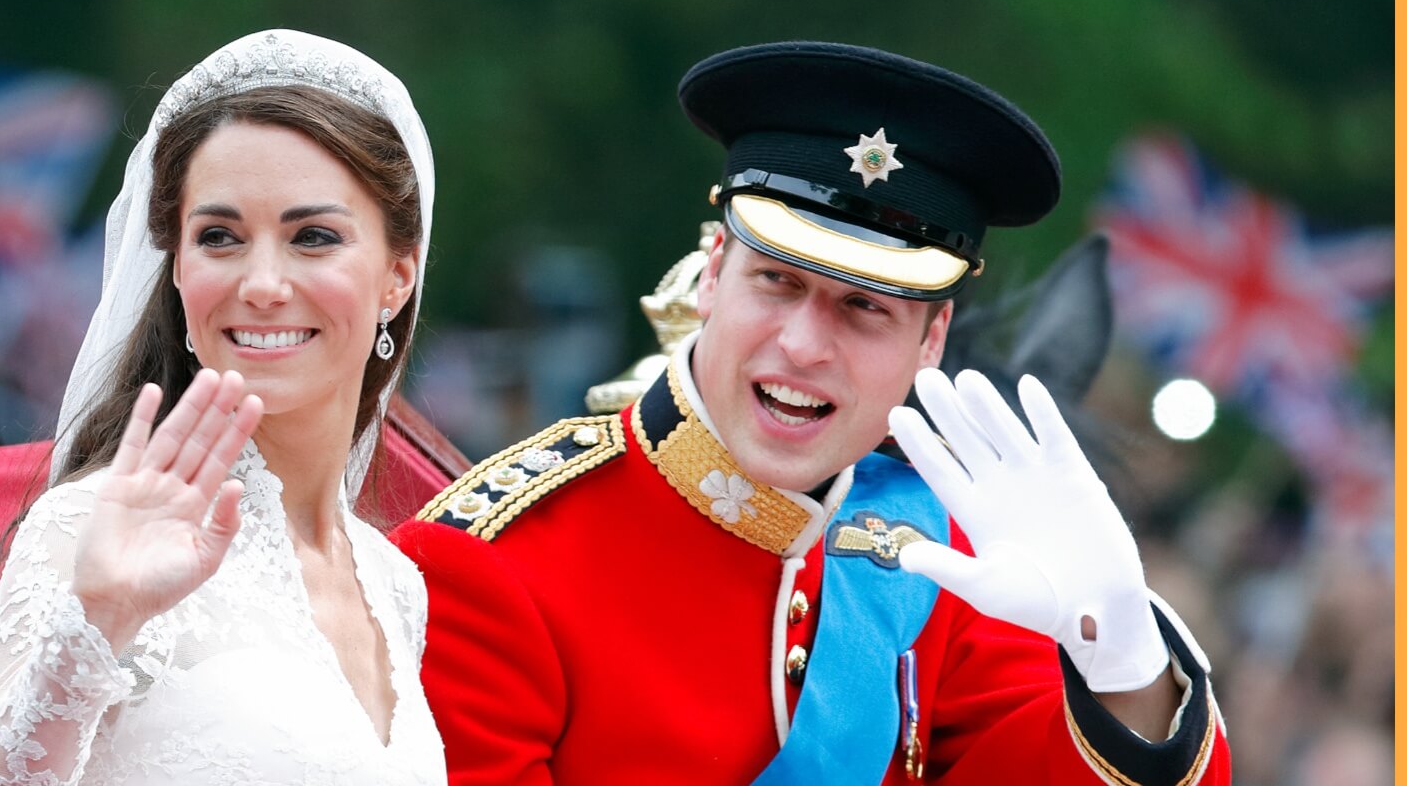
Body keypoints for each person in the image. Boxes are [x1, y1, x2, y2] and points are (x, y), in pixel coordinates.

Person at [393, 41, 1230, 784]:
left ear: (932, 336)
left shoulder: (946, 559)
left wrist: (1121, 656)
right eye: (779, 281)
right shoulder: (497, 561)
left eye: (865, 309)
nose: (803, 345)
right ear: (713, 270)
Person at [0, 29, 446, 785]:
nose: (264, 283)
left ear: (397, 276)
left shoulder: (394, 584)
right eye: (220, 237)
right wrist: (97, 621)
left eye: (313, 237)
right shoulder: (88, 527)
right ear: (176, 268)